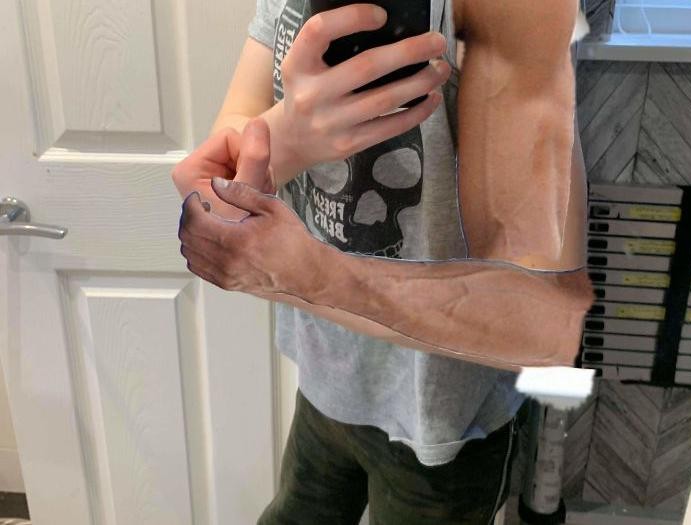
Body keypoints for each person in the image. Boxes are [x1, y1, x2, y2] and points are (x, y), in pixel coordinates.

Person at [172, 0, 592, 523]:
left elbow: (541, 319)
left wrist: (313, 276)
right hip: (325, 375)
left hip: (439, 420)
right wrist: (278, 147)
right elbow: (240, 123)